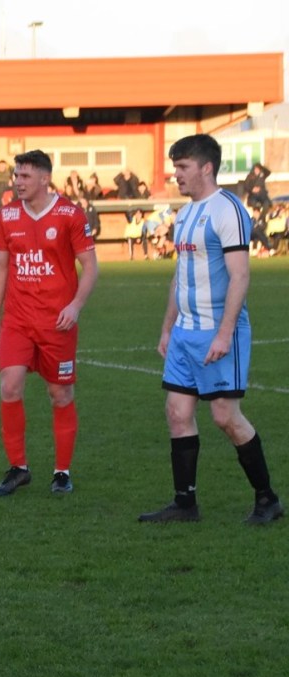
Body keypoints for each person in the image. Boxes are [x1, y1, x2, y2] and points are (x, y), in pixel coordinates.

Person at [140, 134, 283, 525]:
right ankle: (185, 504)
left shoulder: (228, 210)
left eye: (183, 167)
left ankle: (267, 499)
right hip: (185, 333)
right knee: (177, 411)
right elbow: (179, 276)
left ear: (206, 167)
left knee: (225, 417)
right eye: (175, 167)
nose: (176, 175)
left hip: (218, 332)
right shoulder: (184, 215)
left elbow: (239, 276)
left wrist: (224, 333)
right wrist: (167, 328)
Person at [0, 149, 99, 496]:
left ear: (45, 178)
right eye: (16, 176)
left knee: (60, 393)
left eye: (25, 176)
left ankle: (61, 472)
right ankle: (18, 467)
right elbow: (0, 266)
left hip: (57, 322)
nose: (17, 182)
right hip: (18, 319)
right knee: (9, 385)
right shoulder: (7, 216)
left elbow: (91, 267)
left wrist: (76, 305)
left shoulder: (69, 214)